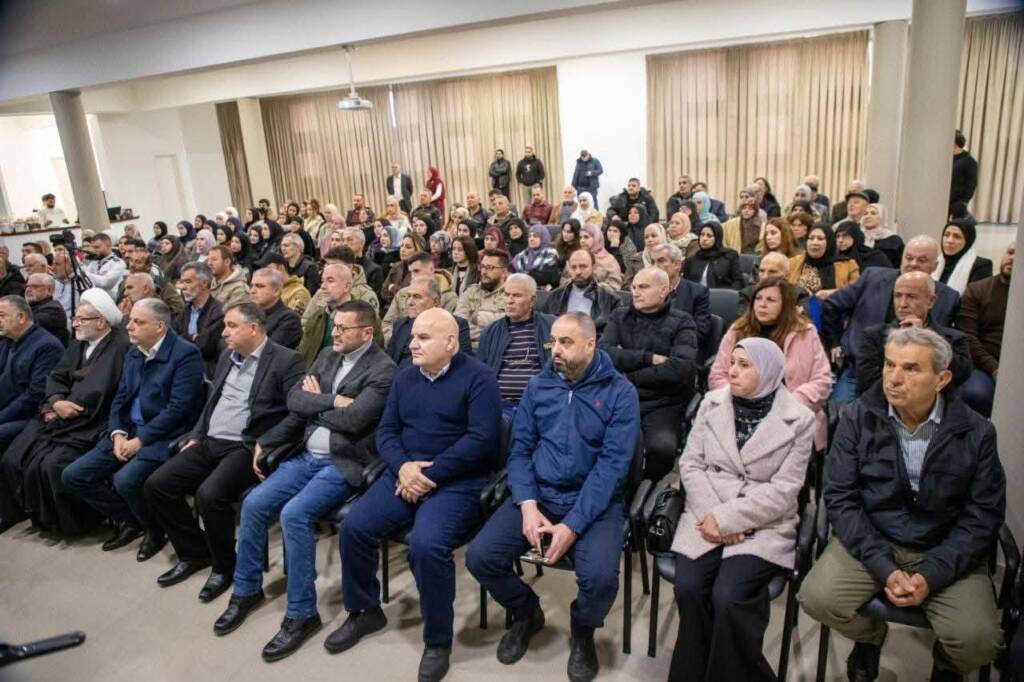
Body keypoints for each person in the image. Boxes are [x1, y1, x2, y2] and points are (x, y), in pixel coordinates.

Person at [799, 327, 1005, 682]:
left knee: (981, 642)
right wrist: (884, 567)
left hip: (943, 545)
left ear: (942, 379)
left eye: (911, 369)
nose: (893, 378)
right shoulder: (857, 417)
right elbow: (841, 497)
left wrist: (932, 574)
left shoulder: (976, 432)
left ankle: (947, 663)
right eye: (889, 364)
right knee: (817, 599)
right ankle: (870, 637)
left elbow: (982, 515)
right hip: (874, 536)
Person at [212, 301, 396, 659]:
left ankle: (301, 614)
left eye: (343, 328)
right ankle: (246, 589)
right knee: (253, 504)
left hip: (341, 462)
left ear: (366, 332)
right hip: (305, 455)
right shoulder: (327, 355)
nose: (335, 333)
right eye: (335, 326)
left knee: (294, 514)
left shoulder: (383, 369)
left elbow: (355, 420)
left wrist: (317, 403)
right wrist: (334, 401)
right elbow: (295, 400)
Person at [329, 308, 501, 682]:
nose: (412, 344)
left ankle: (438, 641)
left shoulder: (480, 378)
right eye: (413, 337)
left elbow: (481, 440)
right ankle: (365, 610)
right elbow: (387, 431)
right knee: (354, 528)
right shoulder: (405, 377)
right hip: (405, 473)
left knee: (426, 545)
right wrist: (405, 467)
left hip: (457, 481)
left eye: (423, 337)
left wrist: (428, 474)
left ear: (451, 342)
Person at [467, 311, 640, 682]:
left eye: (566, 342)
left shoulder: (620, 392)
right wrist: (527, 504)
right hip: (541, 494)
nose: (555, 350)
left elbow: (612, 468)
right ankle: (526, 612)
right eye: (553, 342)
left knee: (600, 580)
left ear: (590, 345)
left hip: (593, 502)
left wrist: (572, 525)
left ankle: (583, 631)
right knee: (481, 557)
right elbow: (520, 450)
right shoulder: (539, 385)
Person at [671, 338, 815, 681]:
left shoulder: (800, 419)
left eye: (744, 365)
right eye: (732, 363)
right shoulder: (712, 402)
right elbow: (690, 463)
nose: (732, 371)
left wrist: (728, 519)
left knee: (729, 597)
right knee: (689, 588)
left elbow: (785, 491)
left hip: (762, 522)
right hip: (705, 511)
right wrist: (714, 517)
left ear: (768, 372)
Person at [143, 302, 305, 600]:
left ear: (253, 329)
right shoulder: (227, 357)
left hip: (246, 445)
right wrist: (196, 435)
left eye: (232, 326)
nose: (224, 332)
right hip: (210, 440)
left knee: (210, 496)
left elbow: (297, 413)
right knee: (157, 485)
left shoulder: (286, 360)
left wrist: (267, 441)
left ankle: (224, 567)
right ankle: (195, 552)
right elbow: (212, 402)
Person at [62, 298, 204, 561]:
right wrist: (117, 433)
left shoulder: (185, 354)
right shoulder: (135, 351)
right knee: (74, 475)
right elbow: (121, 397)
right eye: (131, 321)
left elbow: (179, 409)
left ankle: (154, 531)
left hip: (164, 434)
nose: (129, 327)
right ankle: (136, 519)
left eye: (138, 322)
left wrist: (141, 440)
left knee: (125, 480)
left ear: (160, 326)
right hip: (129, 430)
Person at [0, 289, 129, 536]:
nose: (75, 324)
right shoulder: (79, 342)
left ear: (101, 322)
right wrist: (56, 400)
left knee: (51, 465)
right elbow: (57, 375)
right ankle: (40, 519)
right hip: (61, 412)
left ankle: (76, 524)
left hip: (90, 418)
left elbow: (100, 388)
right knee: (16, 458)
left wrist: (64, 406)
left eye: (81, 319)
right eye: (75, 318)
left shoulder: (119, 346)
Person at [823, 236, 960, 403]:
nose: (913, 264)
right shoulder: (872, 277)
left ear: (935, 266)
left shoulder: (948, 297)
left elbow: (948, 346)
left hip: (913, 374)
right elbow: (831, 305)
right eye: (909, 258)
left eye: (922, 260)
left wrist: (924, 330)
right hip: (859, 367)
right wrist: (834, 342)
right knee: (839, 412)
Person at [710, 277, 831, 450]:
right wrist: (739, 404)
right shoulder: (738, 330)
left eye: (771, 300)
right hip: (741, 416)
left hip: (792, 419)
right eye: (758, 298)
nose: (762, 304)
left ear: (785, 305)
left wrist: (789, 406)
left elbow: (822, 381)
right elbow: (718, 375)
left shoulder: (805, 332)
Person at [601, 267, 697, 480]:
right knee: (594, 438)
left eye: (643, 287)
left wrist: (628, 375)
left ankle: (649, 487)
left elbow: (679, 369)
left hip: (661, 403)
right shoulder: (620, 315)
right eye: (633, 287)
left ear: (663, 290)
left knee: (662, 449)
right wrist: (648, 358)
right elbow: (604, 354)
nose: (635, 293)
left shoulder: (683, 321)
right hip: (619, 397)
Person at [855, 271, 972, 398]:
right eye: (898, 296)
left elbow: (958, 376)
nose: (902, 304)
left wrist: (925, 338)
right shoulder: (873, 336)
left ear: (931, 301)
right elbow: (867, 383)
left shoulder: (956, 339)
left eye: (911, 297)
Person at [477, 273, 553, 419]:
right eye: (506, 295)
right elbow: (481, 374)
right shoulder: (490, 332)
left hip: (539, 404)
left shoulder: (551, 327)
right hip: (500, 406)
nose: (509, 301)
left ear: (532, 300)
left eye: (516, 296)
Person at [0, 296, 64, 453]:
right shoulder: (7, 341)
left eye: (2, 315)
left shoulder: (47, 347)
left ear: (21, 317)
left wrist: (1, 416)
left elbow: (35, 395)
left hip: (31, 417)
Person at [957, 244, 1012, 418]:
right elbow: (967, 337)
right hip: (982, 365)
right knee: (976, 394)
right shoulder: (978, 289)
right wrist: (994, 368)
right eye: (1010, 252)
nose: (1012, 258)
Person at [386, 276, 472, 368]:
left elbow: (462, 365)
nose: (409, 302)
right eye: (408, 296)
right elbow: (388, 362)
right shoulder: (400, 325)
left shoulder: (457, 325)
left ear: (435, 301)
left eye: (416, 297)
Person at [542, 249, 622, 338]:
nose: (578, 272)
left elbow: (617, 332)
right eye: (573, 267)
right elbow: (544, 328)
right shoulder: (555, 297)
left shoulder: (609, 298)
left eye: (583, 266)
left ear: (594, 267)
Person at [381, 252, 458, 342]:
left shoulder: (449, 297)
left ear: (431, 269)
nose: (412, 276)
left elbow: (447, 328)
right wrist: (398, 340)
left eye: (416, 271)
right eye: (410, 272)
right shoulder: (402, 293)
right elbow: (387, 323)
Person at [650, 243, 711, 345]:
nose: (655, 266)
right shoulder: (645, 289)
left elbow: (700, 331)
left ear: (677, 265)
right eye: (653, 262)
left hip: (679, 347)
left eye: (661, 261)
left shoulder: (697, 292)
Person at [172, 263, 225, 379]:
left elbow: (206, 346)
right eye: (182, 282)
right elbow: (171, 337)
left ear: (204, 283)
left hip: (204, 372)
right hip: (181, 365)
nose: (182, 287)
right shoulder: (186, 310)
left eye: (188, 282)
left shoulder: (219, 312)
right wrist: (193, 337)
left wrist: (184, 337)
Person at [787, 224, 859, 300]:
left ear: (830, 242)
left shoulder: (848, 265)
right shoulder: (793, 262)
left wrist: (832, 293)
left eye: (820, 239)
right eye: (811, 238)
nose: (814, 242)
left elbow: (856, 291)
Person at [454, 248, 509, 349]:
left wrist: (476, 317)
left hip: (496, 349)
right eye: (482, 267)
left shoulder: (510, 295)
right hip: (467, 348)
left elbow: (507, 326)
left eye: (489, 268)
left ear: (504, 272)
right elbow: (459, 325)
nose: (483, 272)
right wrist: (490, 331)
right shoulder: (470, 291)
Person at [248, 268, 303, 350]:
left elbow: (268, 351)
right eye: (251, 286)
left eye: (259, 286)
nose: (252, 291)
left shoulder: (289, 319)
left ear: (276, 291)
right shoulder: (249, 314)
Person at [934, 219, 992, 293]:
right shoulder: (936, 261)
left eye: (957, 237)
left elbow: (975, 297)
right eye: (946, 235)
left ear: (968, 241)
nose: (949, 240)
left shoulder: (981, 266)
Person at [683, 223, 744, 290]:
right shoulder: (692, 259)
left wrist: (728, 294)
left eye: (709, 236)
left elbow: (739, 282)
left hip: (721, 294)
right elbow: (685, 283)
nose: (704, 238)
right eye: (702, 235)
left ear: (717, 238)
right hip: (696, 295)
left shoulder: (729, 256)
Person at [24, 273, 69, 345]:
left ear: (49, 290)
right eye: (27, 286)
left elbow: (24, 328)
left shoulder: (53, 311)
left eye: (35, 286)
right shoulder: (32, 306)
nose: (28, 290)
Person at [580, 223, 623, 290]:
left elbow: (614, 286)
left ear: (596, 238)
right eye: (580, 237)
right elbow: (567, 279)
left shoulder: (609, 260)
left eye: (586, 237)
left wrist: (592, 288)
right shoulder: (577, 257)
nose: (582, 240)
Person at [83, 233, 126, 300]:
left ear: (109, 246)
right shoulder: (94, 263)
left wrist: (84, 274)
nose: (94, 250)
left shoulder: (118, 263)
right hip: (96, 299)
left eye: (97, 247)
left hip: (112, 300)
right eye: (93, 247)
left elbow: (106, 283)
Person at [861, 204, 904, 268]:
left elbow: (900, 264)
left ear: (882, 217)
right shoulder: (858, 237)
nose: (868, 216)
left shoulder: (894, 240)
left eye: (873, 213)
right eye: (865, 214)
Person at [950, 130, 978, 217]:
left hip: (958, 203)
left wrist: (963, 202)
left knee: (956, 223)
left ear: (955, 145)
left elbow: (971, 184)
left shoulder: (970, 162)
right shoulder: (948, 159)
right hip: (944, 199)